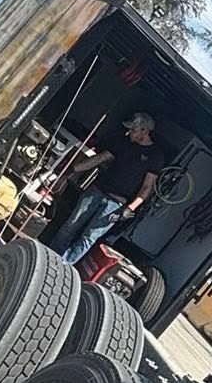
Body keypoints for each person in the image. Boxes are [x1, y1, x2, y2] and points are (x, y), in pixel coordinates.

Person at [49, 111, 160, 266]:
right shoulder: (123, 142)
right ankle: (50, 255)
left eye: (134, 130)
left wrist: (130, 208)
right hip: (97, 190)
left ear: (145, 131)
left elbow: (147, 187)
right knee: (71, 225)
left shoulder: (155, 156)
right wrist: (72, 169)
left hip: (116, 204)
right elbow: (100, 158)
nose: (130, 133)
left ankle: (63, 265)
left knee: (89, 237)